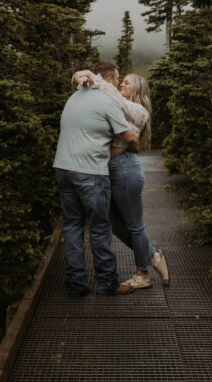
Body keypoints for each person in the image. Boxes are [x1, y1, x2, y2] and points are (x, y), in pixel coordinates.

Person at [73, 63, 170, 292]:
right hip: (109, 169)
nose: (120, 85)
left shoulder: (138, 110)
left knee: (135, 225)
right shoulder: (116, 106)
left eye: (126, 82)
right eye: (121, 81)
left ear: (137, 90)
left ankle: (143, 274)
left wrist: (94, 77)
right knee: (114, 223)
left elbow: (115, 99)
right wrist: (85, 83)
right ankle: (152, 255)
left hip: (125, 168)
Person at [53, 66, 139, 297]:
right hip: (90, 171)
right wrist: (138, 145)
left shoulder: (74, 97)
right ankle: (108, 283)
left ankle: (76, 284)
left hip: (63, 167)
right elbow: (127, 135)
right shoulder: (107, 101)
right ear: (108, 80)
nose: (118, 85)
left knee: (72, 226)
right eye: (117, 80)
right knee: (99, 228)